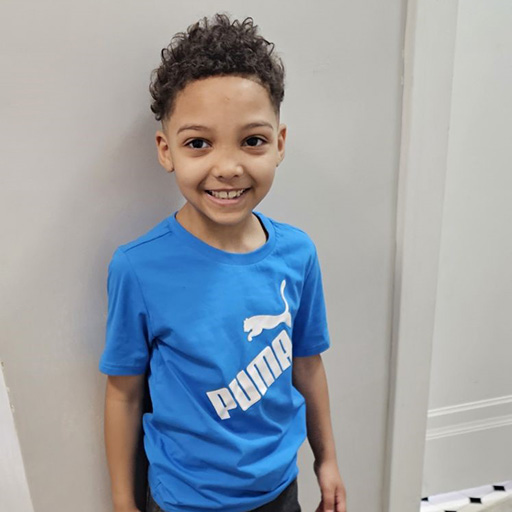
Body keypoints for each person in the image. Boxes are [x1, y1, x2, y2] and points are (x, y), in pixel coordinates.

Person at [99, 12, 347, 512]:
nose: (228, 167)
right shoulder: (138, 269)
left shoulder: (298, 254)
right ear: (167, 151)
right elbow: (123, 395)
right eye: (199, 143)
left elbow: (307, 363)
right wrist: (124, 504)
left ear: (278, 144)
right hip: (183, 501)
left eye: (252, 140)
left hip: (280, 490)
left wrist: (327, 460)